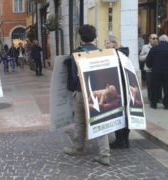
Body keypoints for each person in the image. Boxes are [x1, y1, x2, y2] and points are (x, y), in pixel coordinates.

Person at [63, 24, 110, 166]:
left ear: (80, 37)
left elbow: (73, 76)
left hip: (82, 92)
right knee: (100, 121)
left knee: (80, 121)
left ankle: (79, 148)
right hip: (98, 92)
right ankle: (105, 154)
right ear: (94, 37)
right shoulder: (101, 52)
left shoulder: (76, 53)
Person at [104, 35, 130, 149]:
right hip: (122, 88)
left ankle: (121, 140)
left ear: (114, 43)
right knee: (124, 114)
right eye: (105, 43)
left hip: (120, 89)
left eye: (108, 43)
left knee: (118, 113)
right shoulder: (122, 54)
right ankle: (124, 139)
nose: (105, 45)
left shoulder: (116, 55)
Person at [146, 35, 168, 110]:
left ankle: (154, 104)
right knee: (167, 88)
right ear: (167, 41)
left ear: (159, 41)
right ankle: (166, 104)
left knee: (155, 87)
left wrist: (150, 66)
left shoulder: (154, 49)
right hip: (167, 71)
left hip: (156, 71)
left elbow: (148, 60)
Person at [139, 34, 162, 103]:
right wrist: (148, 54)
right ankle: (151, 98)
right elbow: (140, 58)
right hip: (148, 69)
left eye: (156, 38)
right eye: (153, 38)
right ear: (149, 39)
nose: (155, 40)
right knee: (150, 84)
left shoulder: (159, 47)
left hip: (158, 68)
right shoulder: (145, 47)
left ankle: (159, 98)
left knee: (159, 83)